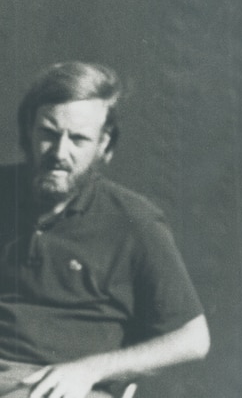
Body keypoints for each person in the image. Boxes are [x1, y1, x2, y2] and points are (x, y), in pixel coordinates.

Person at [0, 62, 210, 398]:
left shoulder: (134, 221)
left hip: (63, 387)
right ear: (29, 130)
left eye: (78, 139)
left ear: (104, 145)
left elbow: (193, 339)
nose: (59, 153)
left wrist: (90, 370)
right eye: (49, 134)